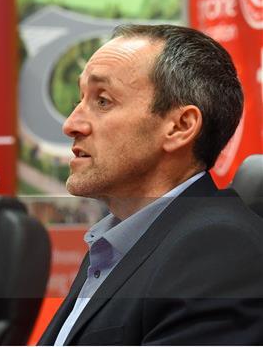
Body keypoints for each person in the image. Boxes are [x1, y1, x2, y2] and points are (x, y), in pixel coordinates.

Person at [39, 24, 263, 345]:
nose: (71, 124)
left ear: (180, 127)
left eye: (102, 101)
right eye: (80, 99)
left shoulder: (217, 250)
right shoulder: (116, 245)